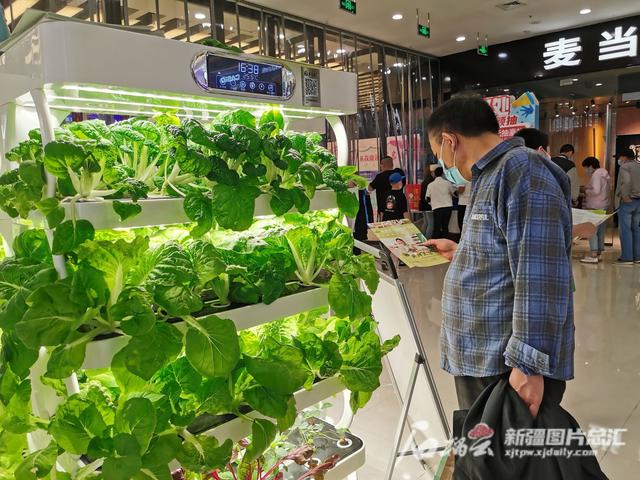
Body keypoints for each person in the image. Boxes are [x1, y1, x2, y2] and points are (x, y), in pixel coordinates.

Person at [425, 96, 574, 419]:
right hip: (481, 357)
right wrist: (462, 251)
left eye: (439, 154)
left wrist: (528, 366)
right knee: (484, 458)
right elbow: (504, 247)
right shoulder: (487, 175)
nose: (444, 164)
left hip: (504, 366)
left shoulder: (522, 170)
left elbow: (541, 276)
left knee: (508, 464)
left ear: (450, 141)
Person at [515, 127, 597, 241]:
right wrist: (578, 229)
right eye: (548, 149)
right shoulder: (544, 178)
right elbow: (545, 227)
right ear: (541, 150)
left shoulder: (511, 176)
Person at [580, 157, 610, 264]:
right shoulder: (604, 174)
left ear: (591, 166)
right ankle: (599, 254)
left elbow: (596, 191)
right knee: (600, 231)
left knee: (591, 231)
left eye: (586, 168)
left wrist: (586, 191)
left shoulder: (596, 174)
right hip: (603, 205)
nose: (586, 170)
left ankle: (593, 255)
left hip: (594, 206)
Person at [615, 148, 640, 265]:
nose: (619, 160)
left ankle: (627, 257)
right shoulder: (639, 166)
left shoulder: (625, 167)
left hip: (628, 201)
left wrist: (625, 196)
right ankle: (637, 257)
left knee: (625, 229)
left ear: (625, 157)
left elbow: (626, 182)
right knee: (636, 229)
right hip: (639, 202)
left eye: (620, 157)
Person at [368, 156, 406, 221]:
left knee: (385, 228)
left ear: (382, 165)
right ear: (392, 164)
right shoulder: (399, 173)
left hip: (383, 208)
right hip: (399, 207)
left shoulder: (379, 177)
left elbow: (370, 188)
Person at [425, 167, 456, 239]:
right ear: (442, 174)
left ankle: (436, 246)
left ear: (435, 174)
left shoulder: (430, 185)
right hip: (448, 207)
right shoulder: (448, 183)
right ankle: (446, 244)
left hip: (437, 208)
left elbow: (427, 198)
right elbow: (454, 194)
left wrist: (432, 203)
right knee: (445, 227)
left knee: (437, 227)